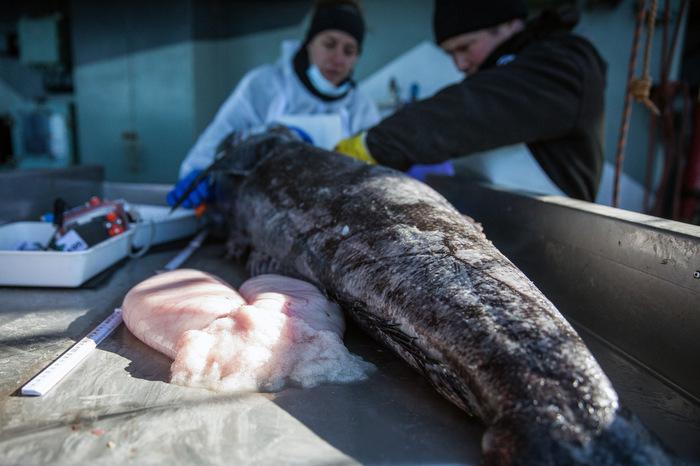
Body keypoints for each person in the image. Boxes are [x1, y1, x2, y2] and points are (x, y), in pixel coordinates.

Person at [335, 0, 607, 201]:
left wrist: (372, 145)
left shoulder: (564, 63)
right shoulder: (503, 69)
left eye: (465, 47)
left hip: (552, 240)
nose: (460, 64)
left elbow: (465, 113)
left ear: (508, 24)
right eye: (451, 54)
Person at [168, 0, 380, 208]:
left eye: (349, 51)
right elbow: (214, 143)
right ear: (309, 43)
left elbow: (374, 176)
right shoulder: (264, 85)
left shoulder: (362, 108)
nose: (338, 58)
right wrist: (202, 175)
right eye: (329, 44)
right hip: (258, 209)